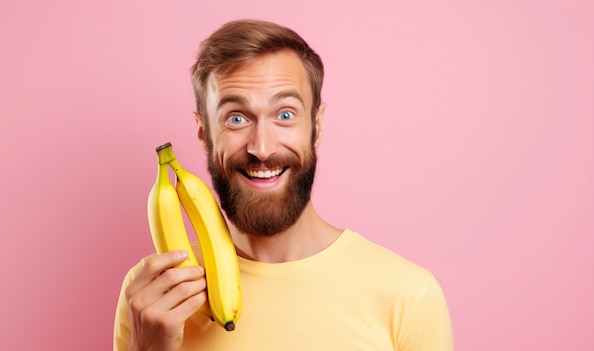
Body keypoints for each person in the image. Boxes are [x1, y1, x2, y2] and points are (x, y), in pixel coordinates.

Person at [113, 19, 453, 351]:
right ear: (204, 133)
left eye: (285, 114)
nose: (262, 148)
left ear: (316, 126)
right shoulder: (153, 297)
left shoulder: (409, 295)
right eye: (236, 118)